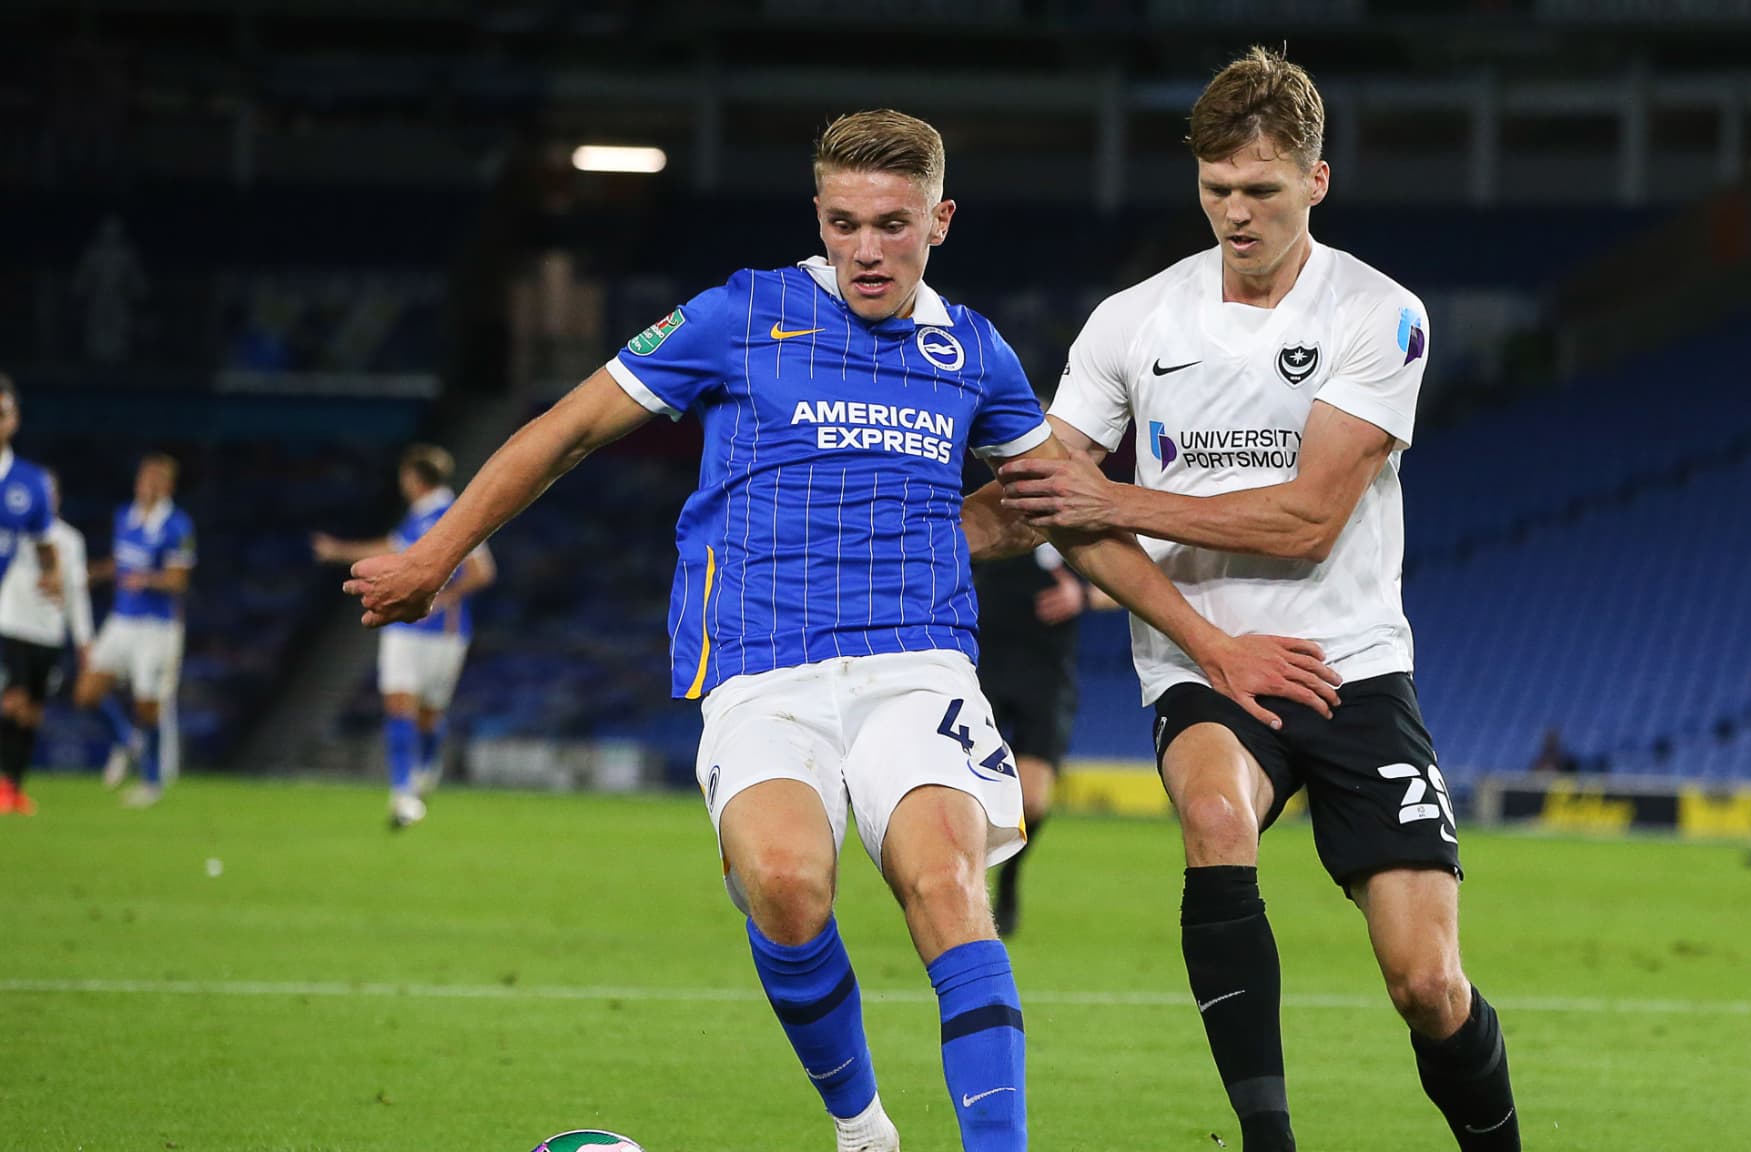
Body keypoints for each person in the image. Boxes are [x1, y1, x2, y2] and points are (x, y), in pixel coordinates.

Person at [342, 109, 1339, 1152]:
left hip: (916, 663)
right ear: (817, 218)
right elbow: (567, 430)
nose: (866, 249)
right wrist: (433, 555)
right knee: (781, 884)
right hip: (759, 665)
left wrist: (1210, 641)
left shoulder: (976, 354)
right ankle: (861, 1130)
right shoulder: (740, 314)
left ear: (938, 220)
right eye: (843, 223)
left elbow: (1070, 516)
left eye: (893, 225)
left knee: (949, 885)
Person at [992, 48, 1521, 1152]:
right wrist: (1199, 639)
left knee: (1427, 985)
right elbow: (1050, 507)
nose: (1235, 213)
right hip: (1200, 664)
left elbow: (1306, 519)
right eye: (1216, 188)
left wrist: (1112, 493)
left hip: (1354, 668)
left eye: (1262, 191)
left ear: (1315, 183)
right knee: (1215, 814)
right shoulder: (1132, 321)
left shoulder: (1380, 314)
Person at [313, 443, 496, 828]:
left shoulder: (456, 513)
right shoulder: (417, 517)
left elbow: (482, 571)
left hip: (443, 634)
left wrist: (445, 596)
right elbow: (392, 549)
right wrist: (338, 552)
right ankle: (402, 794)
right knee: (399, 706)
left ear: (414, 478)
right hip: (405, 630)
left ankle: (425, 773)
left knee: (429, 716)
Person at [971, 537, 1117, 937]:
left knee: (1032, 802)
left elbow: (1136, 577)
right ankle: (965, 893)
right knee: (966, 794)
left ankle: (1010, 875)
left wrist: (1084, 594)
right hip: (984, 666)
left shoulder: (1076, 512)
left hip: (1047, 674)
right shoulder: (985, 500)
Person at [76, 452, 194, 808]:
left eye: (156, 479)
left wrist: (147, 579)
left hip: (157, 627)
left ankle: (151, 782)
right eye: (145, 478)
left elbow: (179, 579)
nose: (148, 485)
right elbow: (123, 561)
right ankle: (126, 741)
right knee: (86, 693)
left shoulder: (178, 526)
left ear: (168, 486)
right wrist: (94, 573)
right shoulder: (123, 516)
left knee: (147, 706)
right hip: (121, 620)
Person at [0, 469, 94, 814]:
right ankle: (3, 784)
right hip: (12, 623)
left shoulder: (71, 541)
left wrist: (84, 642)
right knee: (15, 700)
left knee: (33, 712)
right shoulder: (15, 530)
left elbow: (77, 594)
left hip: (49, 632)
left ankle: (14, 786)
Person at [0, 375, 64, 815]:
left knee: (22, 705)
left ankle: (10, 785)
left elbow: (44, 544)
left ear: (15, 420)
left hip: (11, 612)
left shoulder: (30, 483)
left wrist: (52, 574)